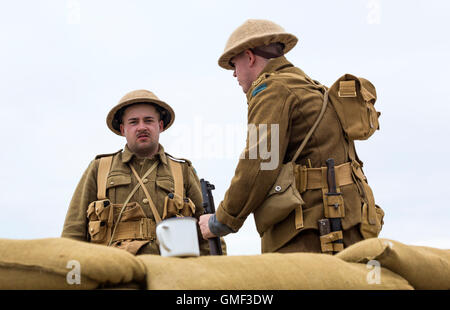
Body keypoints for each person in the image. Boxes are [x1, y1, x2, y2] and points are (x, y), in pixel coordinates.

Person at [199, 19, 384, 254]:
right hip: (347, 224)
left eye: (234, 64)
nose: (234, 73)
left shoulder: (271, 90)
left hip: (308, 233)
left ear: (250, 57)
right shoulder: (311, 87)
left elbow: (258, 165)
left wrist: (221, 220)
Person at [62, 89, 215, 255]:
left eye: (148, 121)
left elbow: (208, 231)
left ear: (160, 126)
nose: (142, 127)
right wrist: (73, 277)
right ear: (123, 129)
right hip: (115, 271)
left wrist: (216, 273)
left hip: (171, 271)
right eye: (134, 122)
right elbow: (73, 231)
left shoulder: (182, 170)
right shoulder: (99, 168)